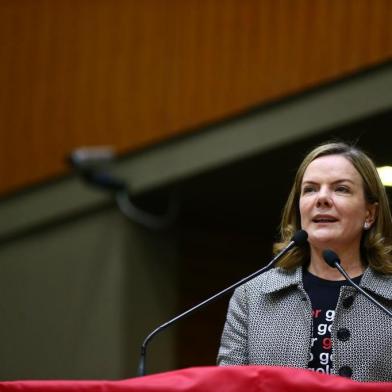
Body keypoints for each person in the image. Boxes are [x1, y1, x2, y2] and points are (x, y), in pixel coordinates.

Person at [217, 141, 392, 382]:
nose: (321, 198)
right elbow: (228, 386)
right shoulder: (251, 297)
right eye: (310, 189)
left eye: (341, 189)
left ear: (369, 214)